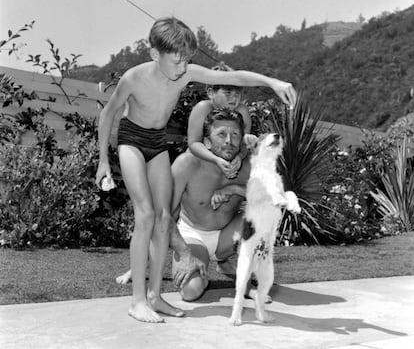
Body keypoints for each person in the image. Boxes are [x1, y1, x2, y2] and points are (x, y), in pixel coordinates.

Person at [95, 17, 296, 323]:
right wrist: (103, 162)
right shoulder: (134, 78)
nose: (182, 67)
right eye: (177, 60)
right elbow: (108, 115)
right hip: (131, 140)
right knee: (146, 214)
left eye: (187, 60)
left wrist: (273, 82)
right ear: (154, 54)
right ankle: (137, 301)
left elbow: (237, 77)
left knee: (163, 219)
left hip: (157, 142)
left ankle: (154, 297)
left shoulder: (184, 73)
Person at [117, 108, 252, 301]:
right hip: (193, 237)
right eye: (221, 134)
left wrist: (235, 190)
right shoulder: (187, 164)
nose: (229, 141)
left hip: (227, 237)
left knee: (257, 218)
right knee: (191, 291)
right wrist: (185, 252)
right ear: (207, 142)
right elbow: (162, 215)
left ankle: (240, 274)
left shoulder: (248, 167)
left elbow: (273, 200)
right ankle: (201, 271)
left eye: (235, 135)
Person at [187, 63, 252, 179]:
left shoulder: (242, 111)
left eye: (237, 94)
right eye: (228, 93)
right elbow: (193, 143)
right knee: (187, 159)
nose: (234, 98)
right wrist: (215, 159)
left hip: (231, 157)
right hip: (205, 158)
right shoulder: (202, 108)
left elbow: (245, 142)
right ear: (211, 93)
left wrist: (239, 157)